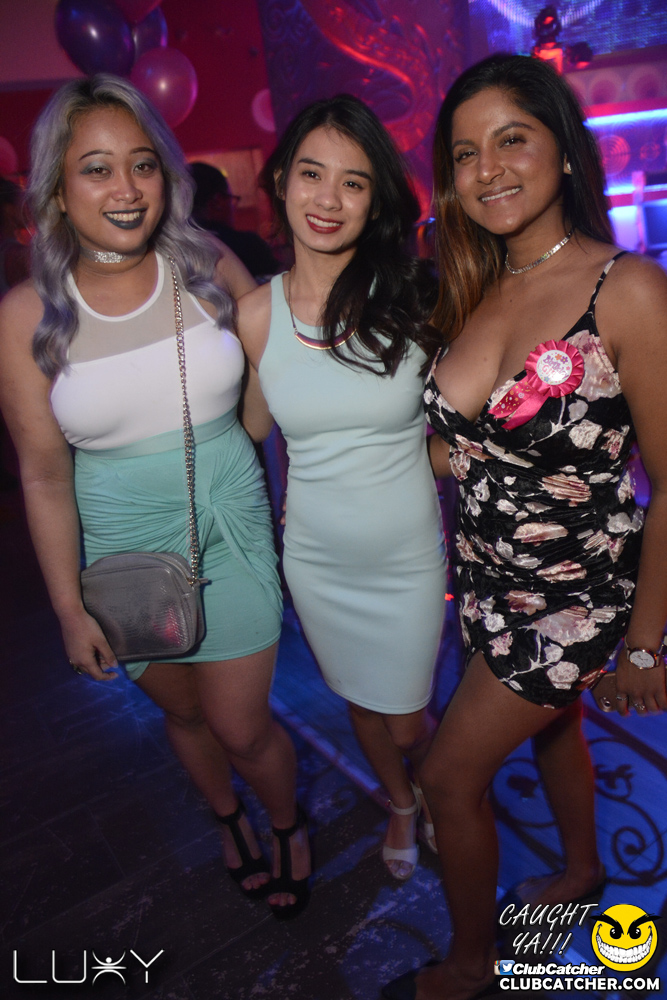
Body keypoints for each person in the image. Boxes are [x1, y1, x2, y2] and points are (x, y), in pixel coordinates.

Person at [382, 54, 667, 1000]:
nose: (488, 169)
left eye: (511, 139)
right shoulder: (473, 286)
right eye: (465, 153)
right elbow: (469, 452)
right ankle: (581, 871)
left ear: (565, 150)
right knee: (552, 733)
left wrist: (643, 644)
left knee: (446, 778)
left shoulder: (626, 289)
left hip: (578, 598)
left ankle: (470, 966)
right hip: (484, 581)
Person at [0, 75, 310, 921]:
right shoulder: (27, 315)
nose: (126, 188)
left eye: (142, 164)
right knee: (186, 717)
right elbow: (42, 474)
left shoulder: (205, 266)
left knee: (243, 726)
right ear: (57, 190)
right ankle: (227, 819)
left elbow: (279, 376)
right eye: (96, 168)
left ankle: (287, 822)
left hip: (230, 526)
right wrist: (69, 609)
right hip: (122, 555)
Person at [238, 95, 448, 882]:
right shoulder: (253, 315)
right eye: (311, 173)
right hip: (318, 562)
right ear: (280, 181)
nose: (327, 198)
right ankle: (402, 803)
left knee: (409, 718)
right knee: (362, 704)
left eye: (352, 182)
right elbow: (251, 430)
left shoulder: (416, 300)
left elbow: (463, 430)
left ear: (375, 200)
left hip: (407, 558)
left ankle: (440, 790)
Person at [189, 161, 280, 279]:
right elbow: (278, 284)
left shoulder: (177, 247)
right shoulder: (248, 245)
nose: (233, 207)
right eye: (231, 199)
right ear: (218, 202)